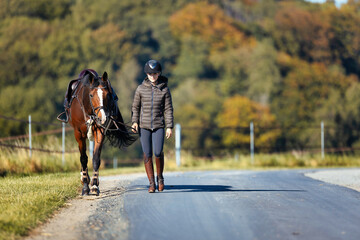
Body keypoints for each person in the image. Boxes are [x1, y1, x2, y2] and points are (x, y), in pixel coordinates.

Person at [131, 60, 174, 193]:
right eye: (150, 74)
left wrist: (169, 126)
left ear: (159, 73)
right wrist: (134, 121)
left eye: (155, 73)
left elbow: (168, 109)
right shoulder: (140, 89)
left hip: (159, 126)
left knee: (157, 152)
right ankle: (151, 183)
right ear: (146, 74)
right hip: (144, 126)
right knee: (147, 154)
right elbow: (135, 107)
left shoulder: (165, 89)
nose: (152, 76)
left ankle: (160, 178)